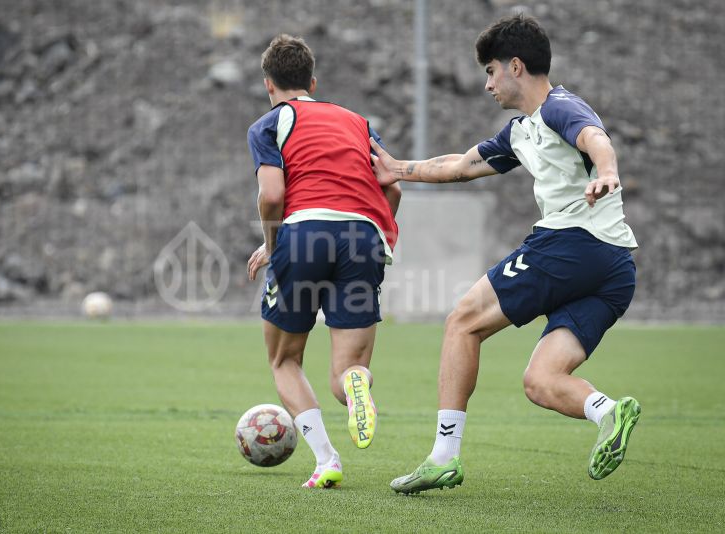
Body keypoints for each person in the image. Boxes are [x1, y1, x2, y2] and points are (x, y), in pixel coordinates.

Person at [371, 14, 640, 494]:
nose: (488, 84)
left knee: (463, 321)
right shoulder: (521, 132)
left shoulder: (560, 107)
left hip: (572, 244)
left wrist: (607, 171)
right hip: (615, 268)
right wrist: (398, 169)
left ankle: (443, 457)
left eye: (491, 71)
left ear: (516, 66)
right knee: (541, 380)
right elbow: (459, 166)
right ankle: (609, 412)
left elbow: (595, 138)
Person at [246, 34, 401, 489]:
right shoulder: (357, 122)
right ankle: (356, 386)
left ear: (268, 83)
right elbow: (392, 185)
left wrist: (274, 245)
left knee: (284, 360)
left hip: (304, 234)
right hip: (362, 237)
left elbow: (272, 195)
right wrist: (378, 236)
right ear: (312, 82)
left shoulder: (269, 124)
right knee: (345, 373)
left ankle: (326, 459)